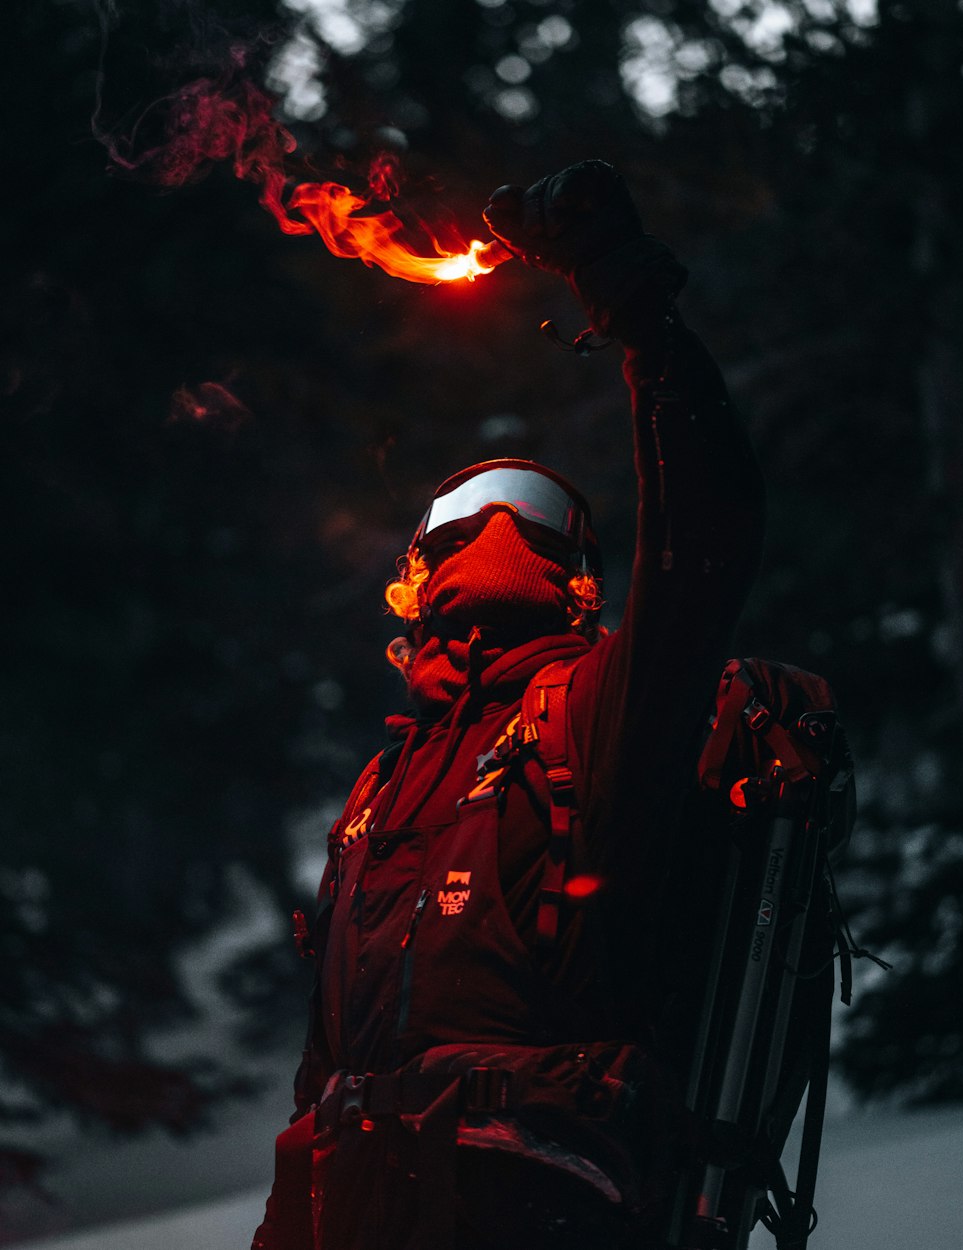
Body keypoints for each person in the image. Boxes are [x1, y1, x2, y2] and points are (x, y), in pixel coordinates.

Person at [253, 160, 766, 1250]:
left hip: (530, 1207)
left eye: (533, 515)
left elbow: (702, 548)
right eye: (459, 517)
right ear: (413, 578)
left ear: (580, 581)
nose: (495, 526)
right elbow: (324, 1071)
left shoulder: (595, 707)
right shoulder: (382, 785)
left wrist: (638, 314)